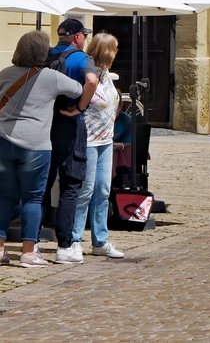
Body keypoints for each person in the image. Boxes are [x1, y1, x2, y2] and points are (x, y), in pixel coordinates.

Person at [0, 31, 83, 268]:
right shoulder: (51, 77)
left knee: (4, 197)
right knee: (33, 198)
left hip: (4, 141)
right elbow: (79, 89)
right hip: (36, 145)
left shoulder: (5, 73)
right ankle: (29, 252)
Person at [44, 18, 99, 266]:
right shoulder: (81, 58)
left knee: (40, 185)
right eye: (84, 35)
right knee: (70, 185)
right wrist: (80, 107)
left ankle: (31, 242)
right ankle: (64, 246)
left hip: (43, 124)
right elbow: (92, 81)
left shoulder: (43, 55)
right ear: (77, 37)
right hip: (69, 123)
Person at [71, 32, 124, 259]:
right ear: (108, 51)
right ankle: (74, 240)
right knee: (85, 190)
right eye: (115, 48)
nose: (117, 52)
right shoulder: (88, 73)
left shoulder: (106, 76)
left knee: (102, 190)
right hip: (89, 140)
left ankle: (100, 240)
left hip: (106, 140)